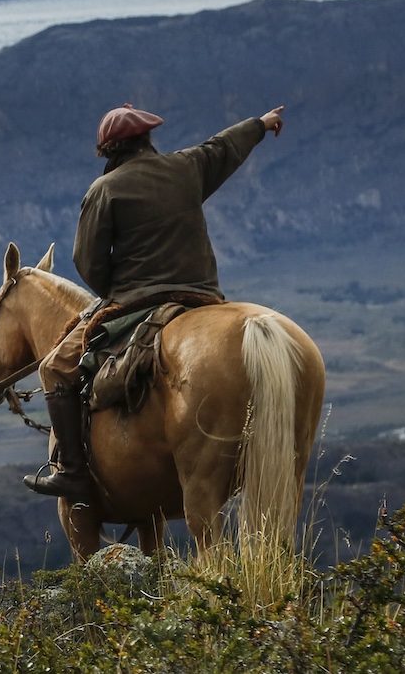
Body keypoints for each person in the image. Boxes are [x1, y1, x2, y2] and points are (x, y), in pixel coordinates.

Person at [23, 102, 287, 500]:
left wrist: (113, 290)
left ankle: (73, 472)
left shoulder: (104, 190)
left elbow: (86, 260)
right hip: (203, 295)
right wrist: (260, 124)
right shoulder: (187, 167)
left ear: (107, 151)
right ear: (147, 138)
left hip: (137, 300)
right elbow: (223, 147)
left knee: (55, 367)